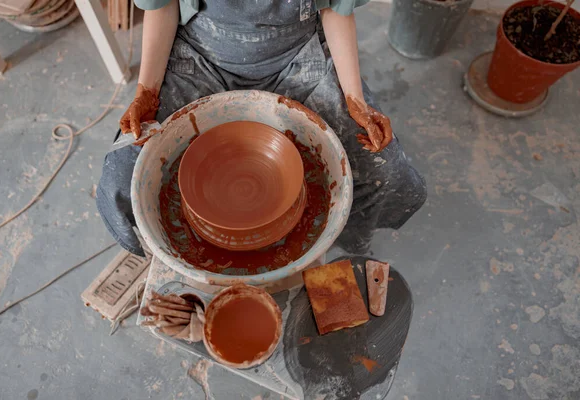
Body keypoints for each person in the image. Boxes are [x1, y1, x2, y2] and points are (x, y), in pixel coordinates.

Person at [97, 0, 427, 257]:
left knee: (382, 167)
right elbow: (164, 8)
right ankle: (171, 252)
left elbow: (336, 11)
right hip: (201, 59)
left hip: (298, 60)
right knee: (124, 172)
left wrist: (356, 101)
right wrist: (147, 93)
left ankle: (341, 244)